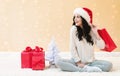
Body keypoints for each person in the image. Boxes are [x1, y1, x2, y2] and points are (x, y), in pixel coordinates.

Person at [55, 7, 112, 72]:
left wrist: (96, 33)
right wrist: (78, 62)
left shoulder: (91, 31)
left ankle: (86, 68)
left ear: (84, 18)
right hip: (76, 62)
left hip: (91, 63)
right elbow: (72, 47)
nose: (75, 19)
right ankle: (84, 70)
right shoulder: (74, 30)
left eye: (78, 17)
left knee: (109, 65)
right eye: (74, 17)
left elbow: (102, 46)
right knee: (58, 62)